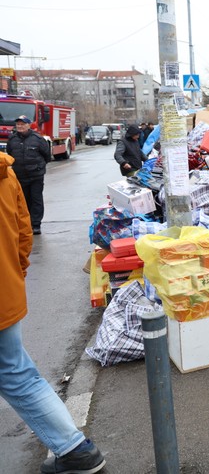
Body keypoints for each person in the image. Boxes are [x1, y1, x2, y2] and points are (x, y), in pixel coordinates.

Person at [0, 151, 106, 473]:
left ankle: (75, 450)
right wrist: (14, 275)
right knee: (18, 372)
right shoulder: (5, 169)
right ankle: (75, 448)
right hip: (4, 293)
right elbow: (22, 231)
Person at [7, 115, 50, 235]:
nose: (20, 126)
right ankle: (25, 224)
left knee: (36, 200)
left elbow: (46, 155)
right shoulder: (12, 139)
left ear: (29, 125)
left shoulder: (38, 138)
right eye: (18, 124)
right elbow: (10, 155)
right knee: (23, 201)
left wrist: (38, 167)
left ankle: (36, 225)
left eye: (22, 124)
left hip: (36, 175)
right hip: (20, 176)